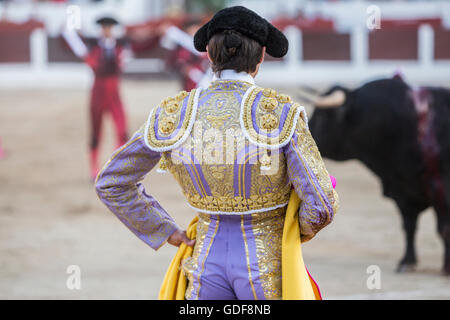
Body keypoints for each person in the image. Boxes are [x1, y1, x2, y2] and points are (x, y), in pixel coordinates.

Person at [95, 6, 339, 300]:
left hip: (204, 259)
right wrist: (291, 230)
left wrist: (164, 229)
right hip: (267, 260)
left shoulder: (174, 113)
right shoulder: (280, 113)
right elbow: (322, 204)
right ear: (261, 56)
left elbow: (110, 182)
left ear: (209, 55)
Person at [63, 16, 130, 180]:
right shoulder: (93, 45)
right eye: (104, 27)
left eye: (109, 27)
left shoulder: (120, 46)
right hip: (98, 93)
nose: (106, 30)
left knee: (122, 130)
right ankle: (94, 169)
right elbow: (70, 40)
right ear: (101, 29)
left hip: (114, 93)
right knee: (96, 132)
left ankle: (117, 167)